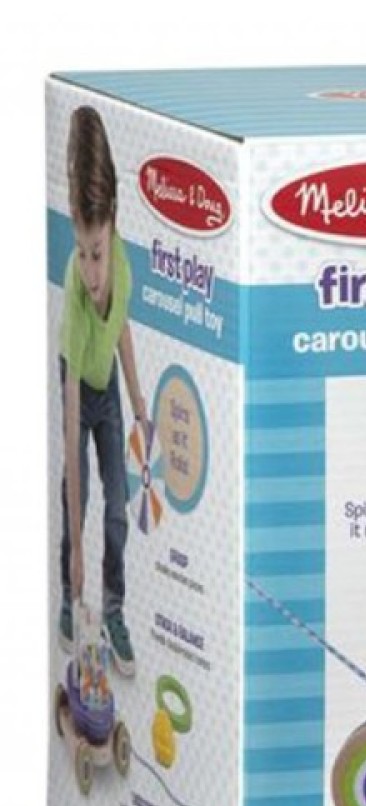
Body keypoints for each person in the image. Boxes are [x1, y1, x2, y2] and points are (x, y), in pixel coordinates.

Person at [58, 105, 146, 675]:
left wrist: (139, 405)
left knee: (119, 504)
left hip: (107, 386)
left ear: (112, 226)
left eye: (97, 253)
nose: (92, 272)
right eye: (82, 252)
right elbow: (70, 413)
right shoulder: (74, 291)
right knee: (82, 495)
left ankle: (114, 609)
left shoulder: (124, 266)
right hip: (75, 385)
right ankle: (70, 598)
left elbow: (122, 331)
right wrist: (77, 553)